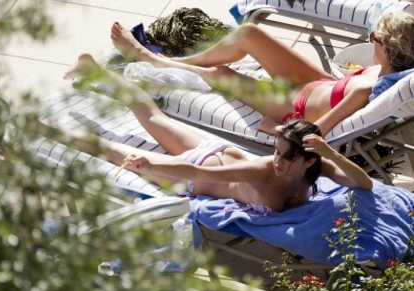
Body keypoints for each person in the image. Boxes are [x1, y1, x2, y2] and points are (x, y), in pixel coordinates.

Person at [58, 53, 372, 213]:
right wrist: (150, 165)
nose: (277, 160)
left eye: (286, 157)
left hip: (216, 154)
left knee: (151, 119)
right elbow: (193, 169)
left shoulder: (319, 165)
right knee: (117, 146)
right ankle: (49, 124)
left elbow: (365, 184)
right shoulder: (265, 171)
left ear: (307, 161)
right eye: (276, 151)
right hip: (200, 174)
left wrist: (329, 152)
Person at [106, 11, 414, 137]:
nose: (369, 39)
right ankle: (189, 59)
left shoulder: (365, 92)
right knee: (249, 33)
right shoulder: (386, 71)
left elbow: (315, 135)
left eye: (373, 38)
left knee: (223, 73)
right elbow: (338, 89)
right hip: (319, 84)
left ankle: (147, 57)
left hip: (294, 106)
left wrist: (278, 129)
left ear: (388, 48)